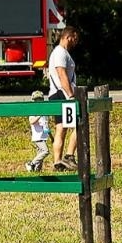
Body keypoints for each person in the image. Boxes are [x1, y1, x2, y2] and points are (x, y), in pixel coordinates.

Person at [46, 26, 79, 171]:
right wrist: (71, 95)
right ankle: (69, 156)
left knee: (61, 128)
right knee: (79, 125)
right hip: (62, 94)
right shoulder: (60, 53)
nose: (76, 42)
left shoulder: (60, 53)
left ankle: (57, 162)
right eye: (75, 38)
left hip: (57, 93)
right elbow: (62, 74)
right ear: (68, 36)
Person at [25, 89, 51, 172]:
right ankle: (31, 163)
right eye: (36, 100)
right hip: (37, 137)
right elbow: (32, 121)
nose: (38, 101)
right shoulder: (33, 111)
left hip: (43, 136)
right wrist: (39, 115)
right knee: (45, 151)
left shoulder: (45, 111)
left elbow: (46, 125)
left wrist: (51, 136)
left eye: (40, 99)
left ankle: (37, 170)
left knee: (40, 155)